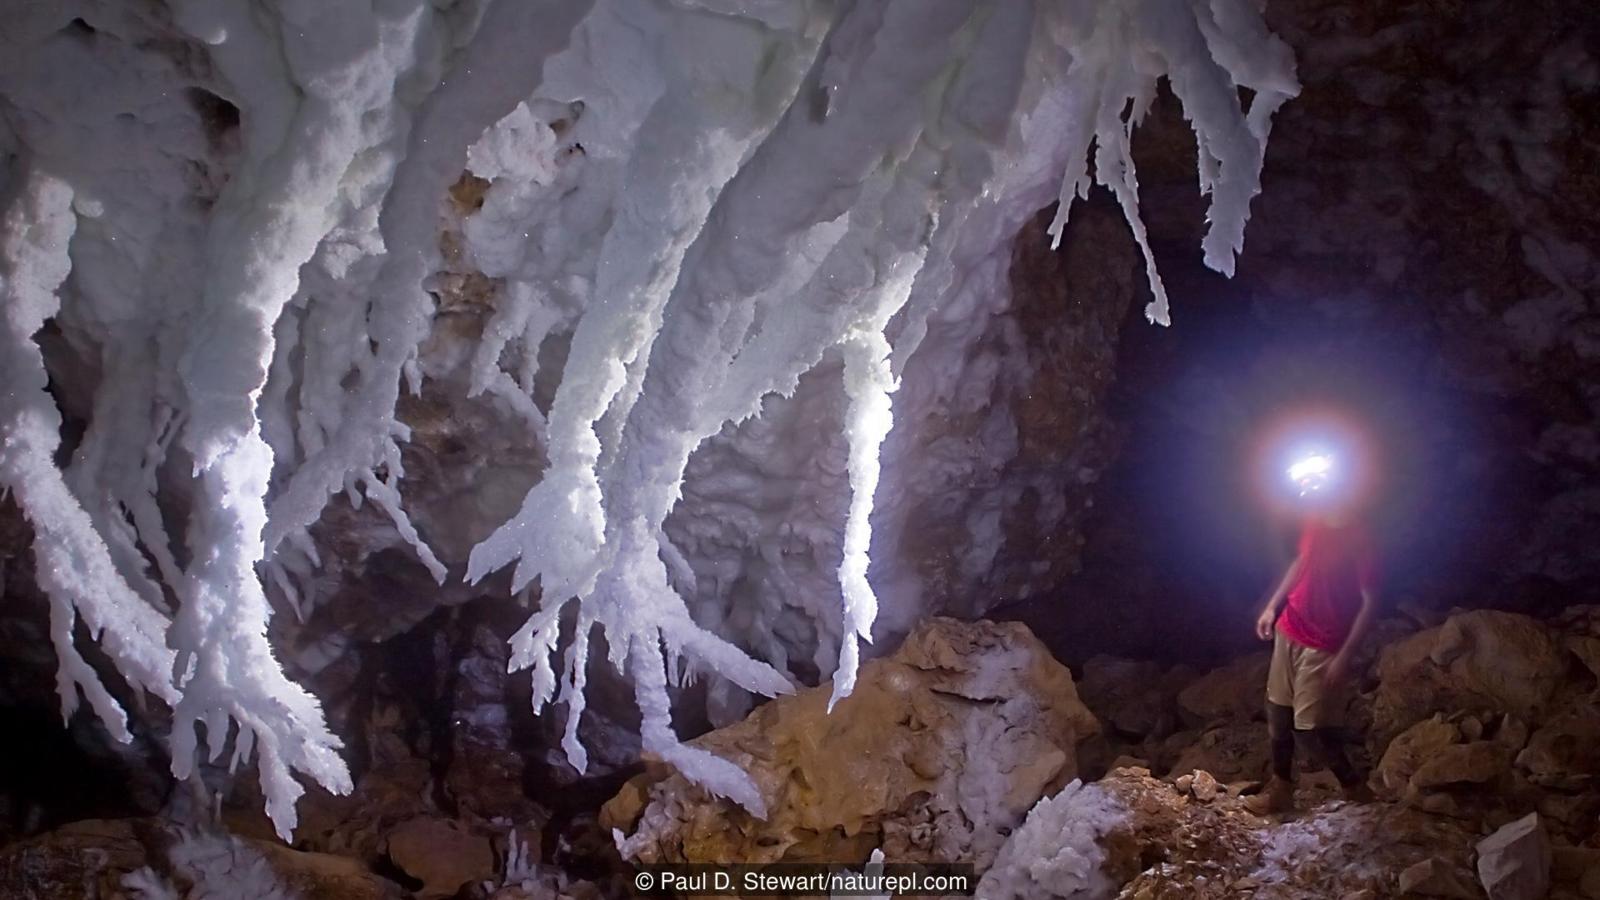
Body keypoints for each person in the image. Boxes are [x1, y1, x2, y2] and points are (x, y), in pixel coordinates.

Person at [1244, 485, 1379, 815]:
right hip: (1290, 628)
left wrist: (1345, 655)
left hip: (1324, 643)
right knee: (1277, 713)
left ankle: (1355, 789)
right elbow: (1302, 561)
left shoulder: (1361, 538)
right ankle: (1281, 791)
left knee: (1310, 731)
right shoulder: (1315, 520)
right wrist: (1272, 607)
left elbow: (1371, 601)